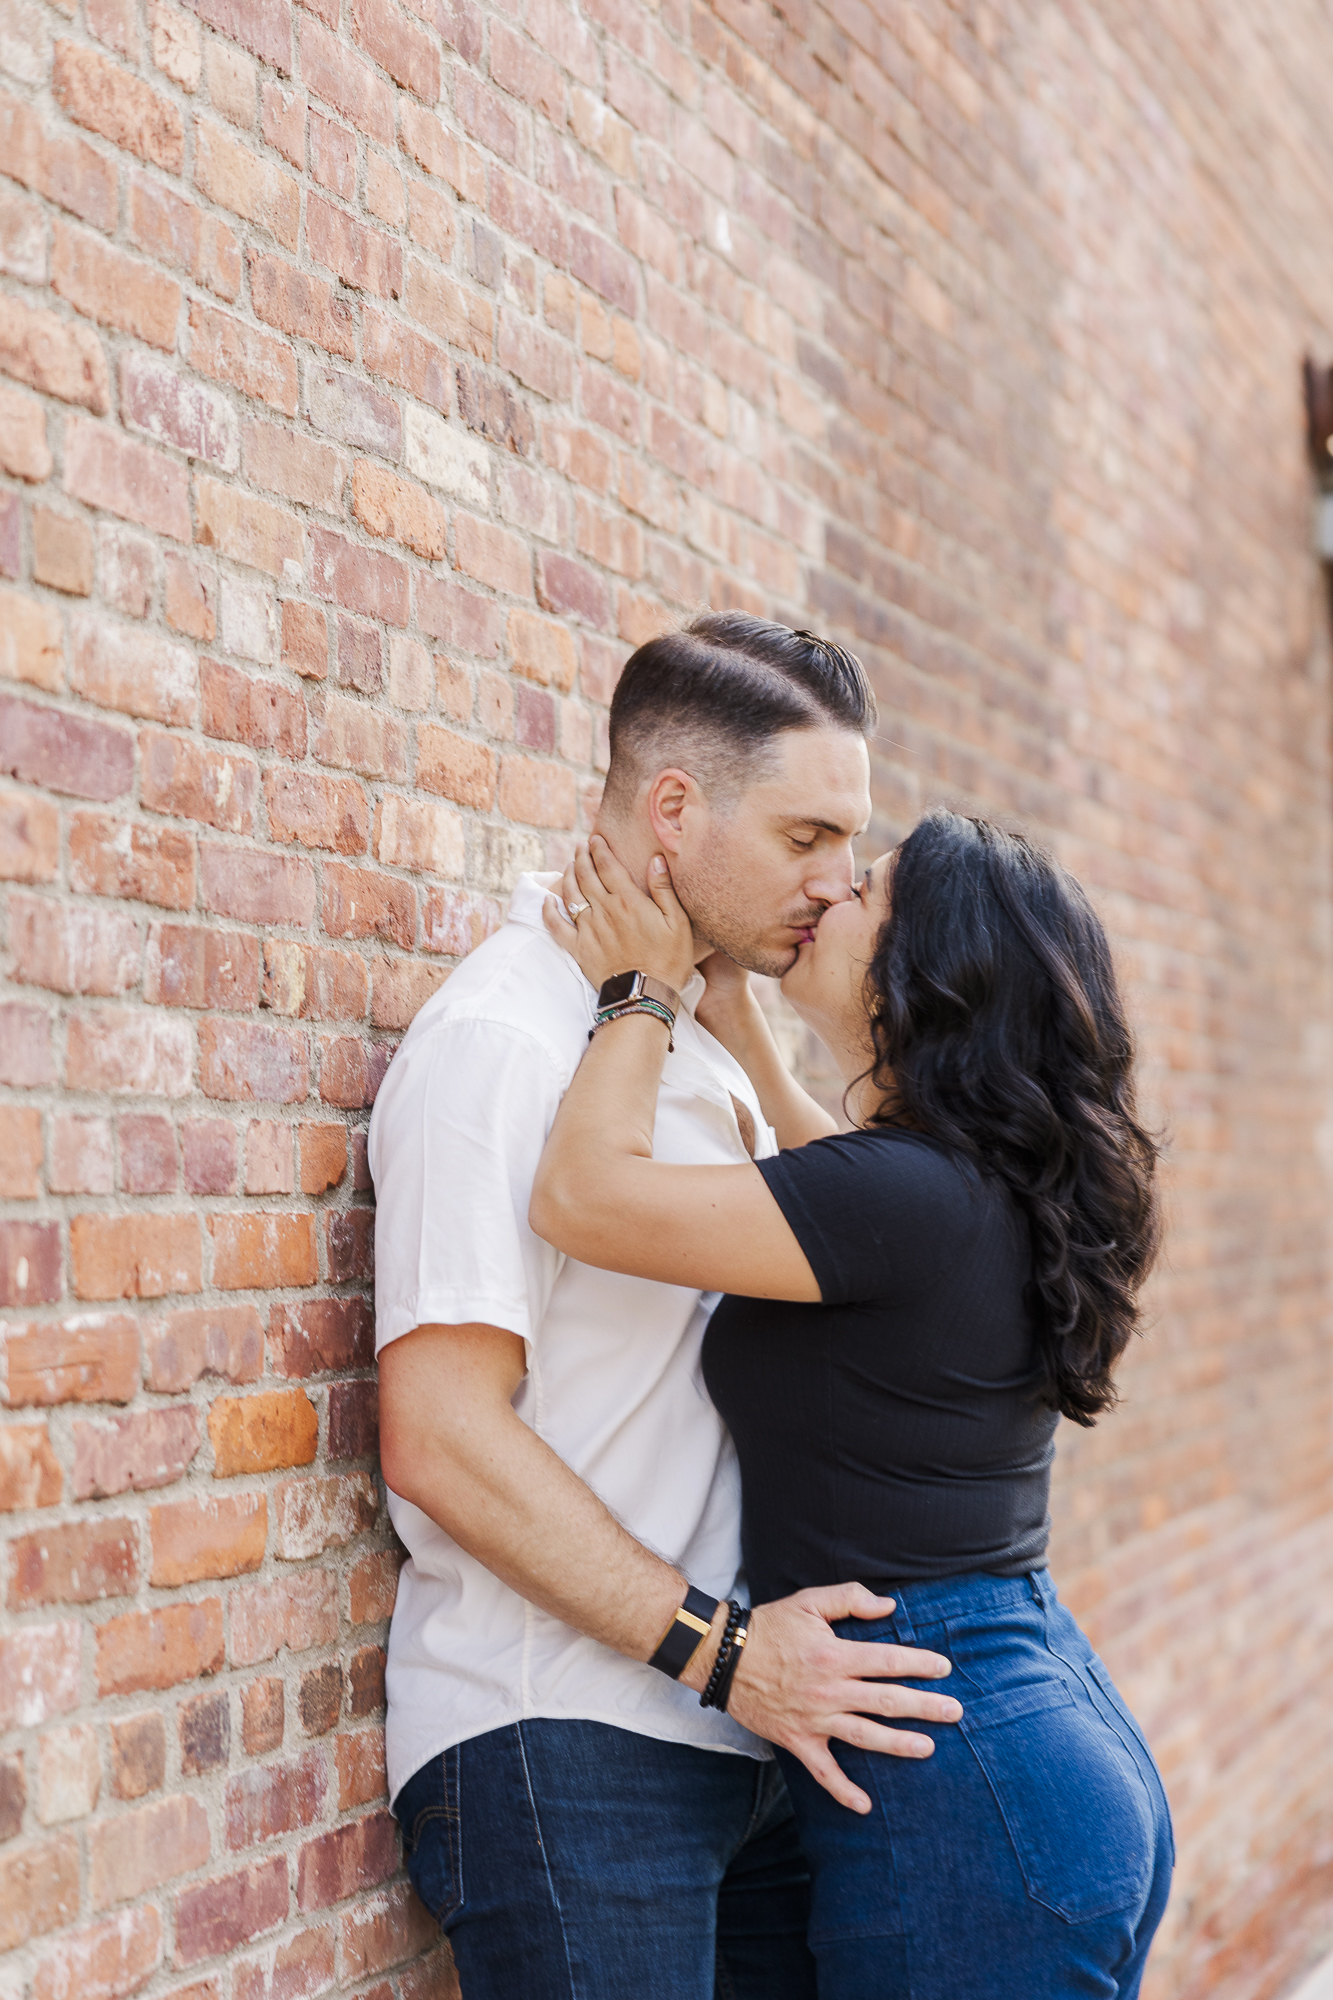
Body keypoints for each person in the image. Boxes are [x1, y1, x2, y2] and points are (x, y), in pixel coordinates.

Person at [370, 614, 963, 2000]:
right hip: (567, 1735)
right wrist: (724, 1651)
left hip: (742, 1736)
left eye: (850, 841)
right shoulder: (501, 1043)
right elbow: (440, 1435)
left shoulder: (683, 1036)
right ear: (675, 811)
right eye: (806, 835)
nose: (837, 881)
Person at [531, 808, 1174, 2000]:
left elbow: (582, 1196)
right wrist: (747, 1032)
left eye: (867, 887)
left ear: (925, 968)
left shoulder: (901, 1195)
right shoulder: (965, 1186)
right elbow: (842, 1186)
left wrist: (640, 993)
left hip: (964, 1782)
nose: (830, 892)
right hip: (1020, 1729)